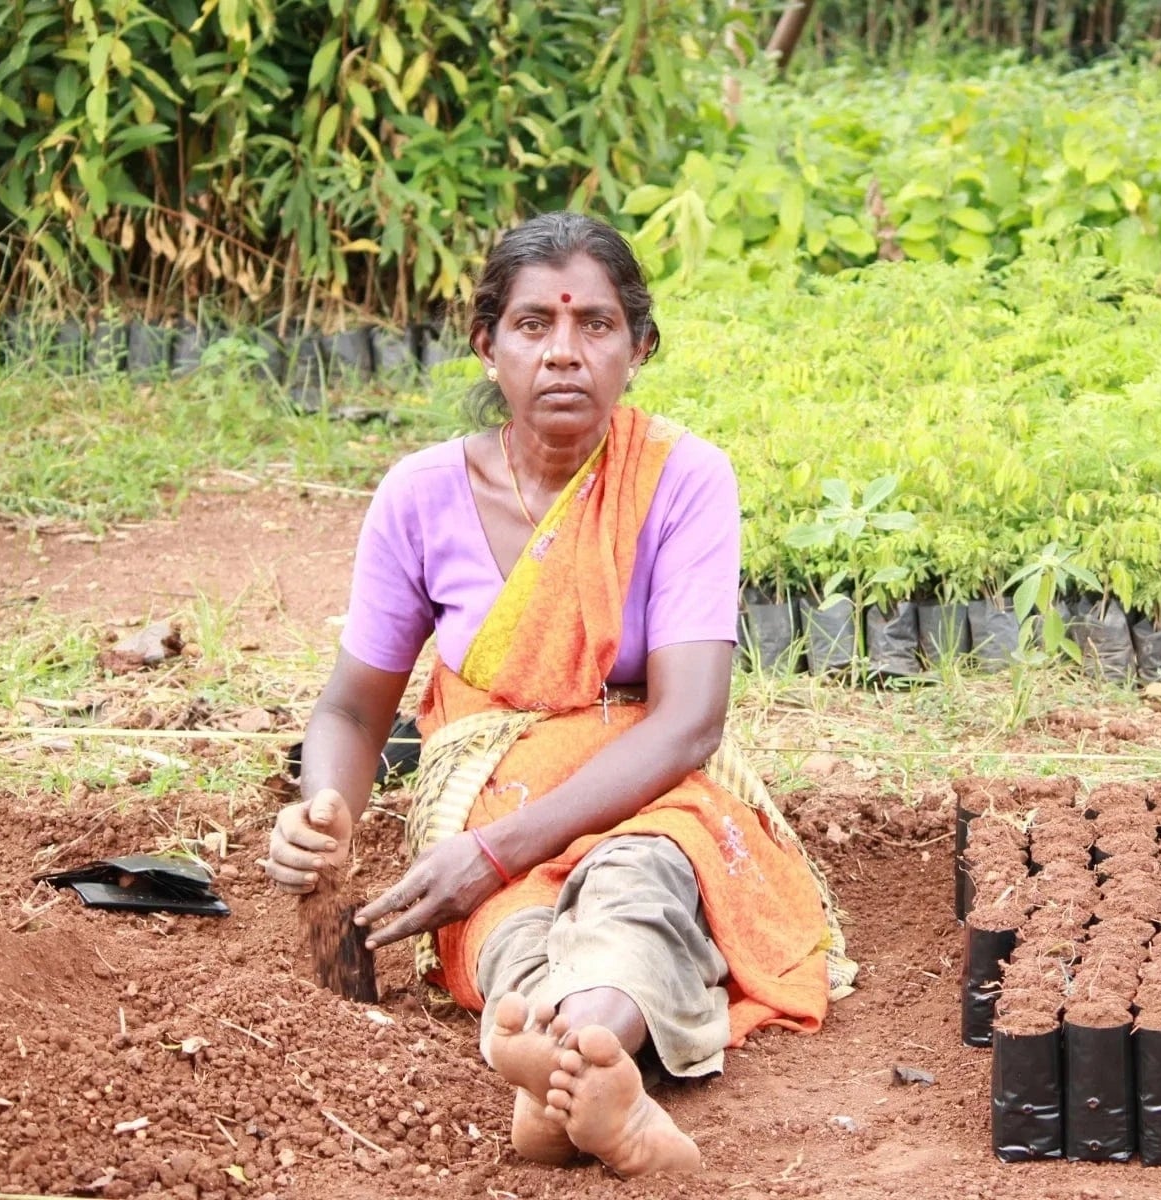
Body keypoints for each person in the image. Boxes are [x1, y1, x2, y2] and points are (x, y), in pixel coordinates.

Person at [258, 212, 853, 1177]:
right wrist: (327, 808)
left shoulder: (681, 481)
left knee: (640, 887)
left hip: (643, 792)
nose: (564, 353)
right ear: (486, 346)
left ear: (639, 347)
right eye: (534, 326)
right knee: (507, 930)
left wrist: (487, 857)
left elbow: (691, 719)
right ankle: (587, 1066)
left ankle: (566, 1065)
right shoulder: (419, 497)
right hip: (491, 797)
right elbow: (352, 710)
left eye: (596, 326)